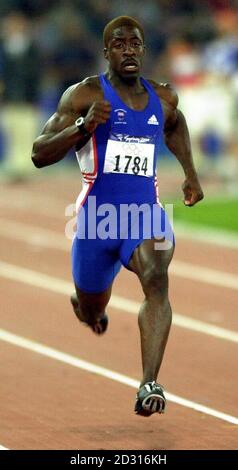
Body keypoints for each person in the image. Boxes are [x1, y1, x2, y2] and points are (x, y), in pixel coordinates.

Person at [31, 16, 204, 417]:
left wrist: (191, 174)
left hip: (146, 214)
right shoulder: (84, 95)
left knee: (157, 276)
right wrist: (82, 126)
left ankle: (149, 384)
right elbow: (39, 154)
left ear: (144, 50)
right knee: (90, 304)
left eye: (136, 44)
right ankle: (90, 308)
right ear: (106, 51)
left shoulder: (163, 97)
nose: (129, 50)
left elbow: (174, 126)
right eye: (120, 44)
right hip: (97, 221)